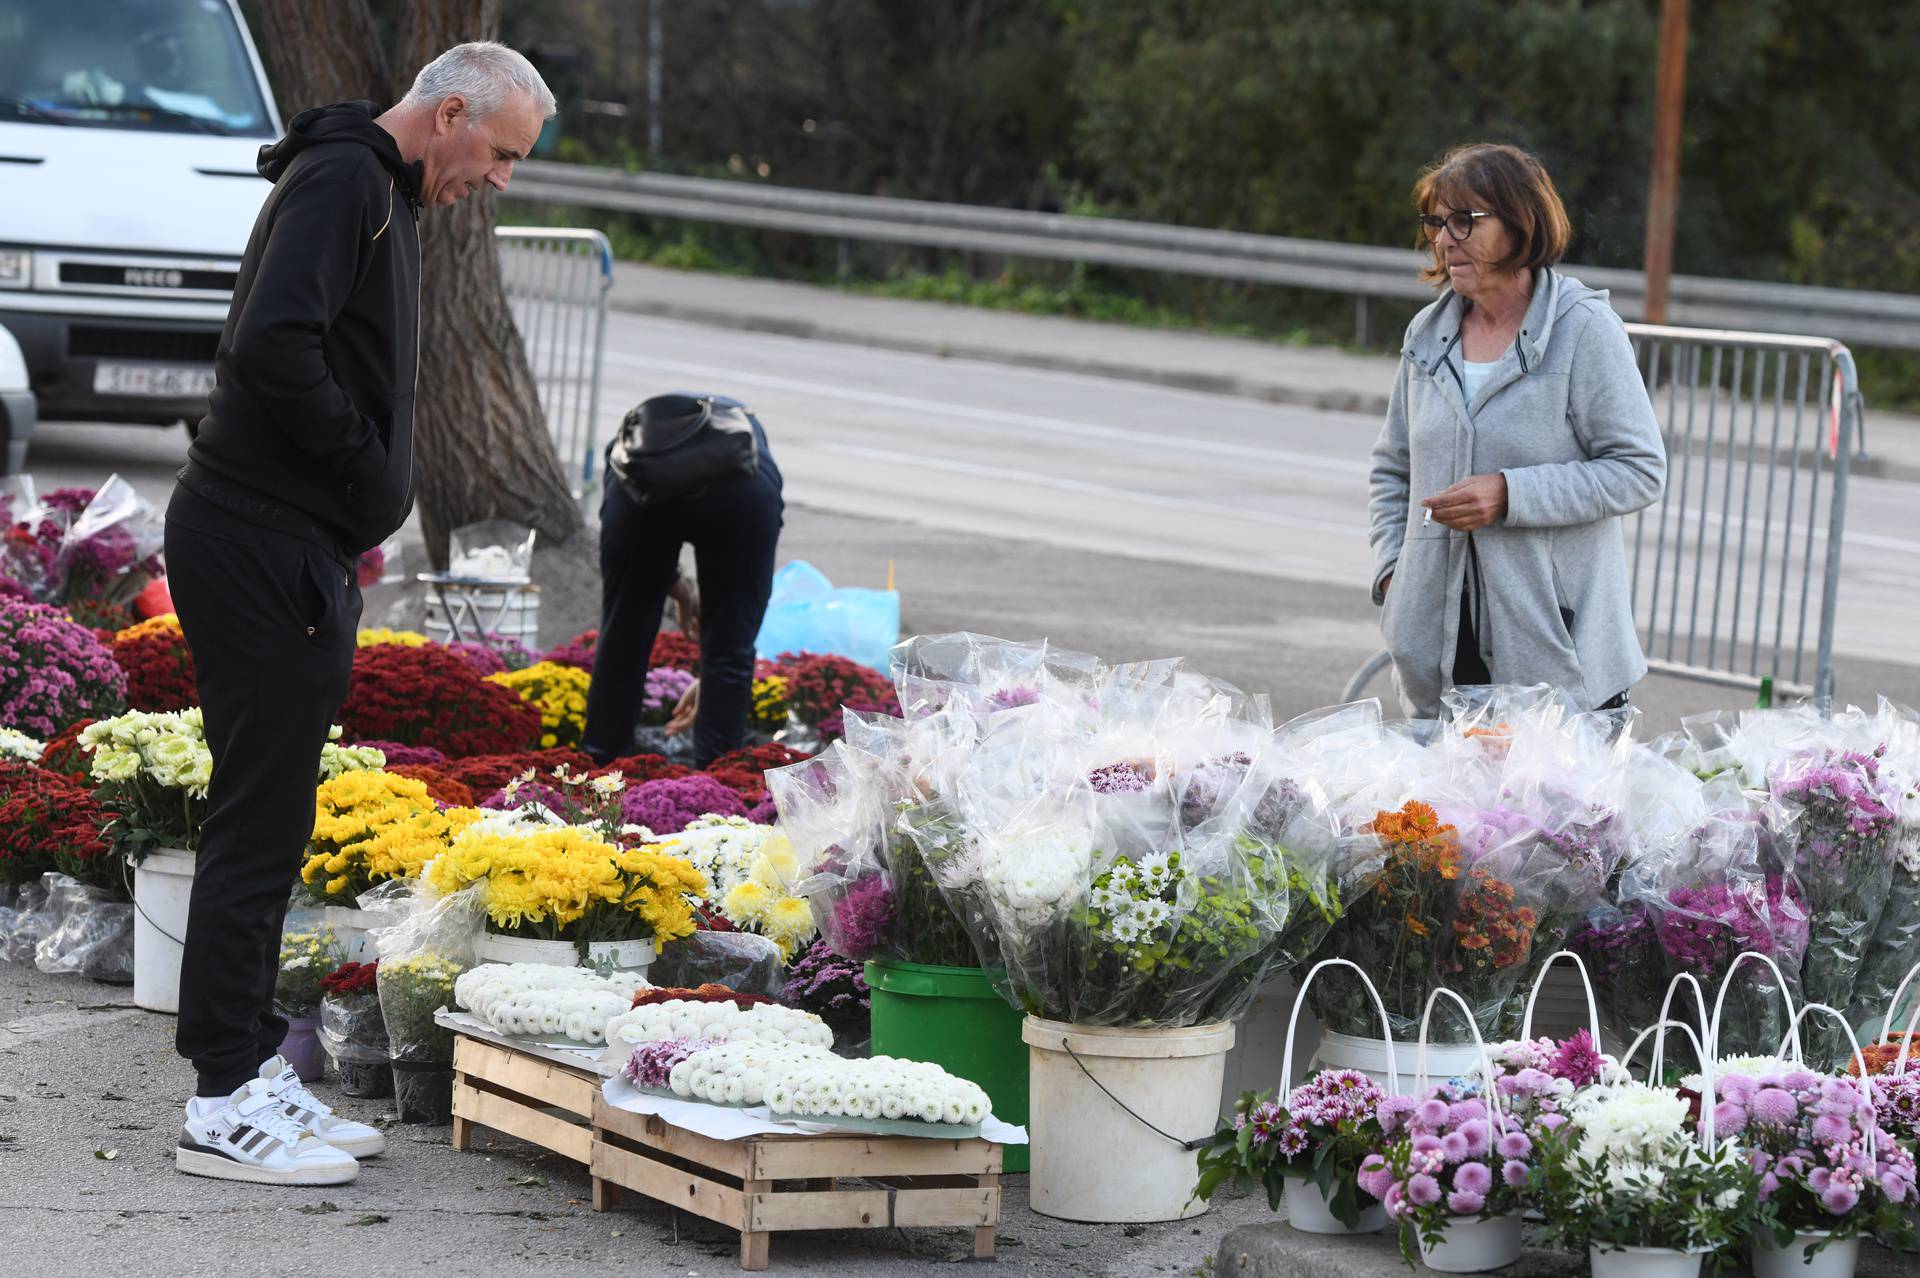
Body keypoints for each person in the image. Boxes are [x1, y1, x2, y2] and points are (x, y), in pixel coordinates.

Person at [164, 42, 553, 1186]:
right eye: (500, 154)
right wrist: (355, 474)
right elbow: (273, 343)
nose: (500, 181)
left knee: (273, 819)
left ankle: (243, 1065)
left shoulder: (375, 190)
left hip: (286, 542)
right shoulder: (346, 182)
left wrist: (354, 500)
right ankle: (221, 1100)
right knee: (256, 820)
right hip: (257, 537)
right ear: (447, 115)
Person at [1368, 142, 1666, 719]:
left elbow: (1639, 470)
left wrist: (1511, 494)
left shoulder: (1584, 329)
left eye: (1464, 221)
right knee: (1444, 810)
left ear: (1521, 224)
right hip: (1437, 656)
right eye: (1435, 222)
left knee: (1550, 813)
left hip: (1556, 657)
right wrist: (1393, 575)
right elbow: (1393, 467)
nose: (1444, 239)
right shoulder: (1428, 334)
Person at [583, 393, 784, 768]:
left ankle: (599, 772)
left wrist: (671, 583)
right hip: (742, 493)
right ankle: (718, 785)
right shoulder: (749, 445)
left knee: (623, 635)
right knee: (731, 652)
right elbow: (733, 630)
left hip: (641, 486)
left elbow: (633, 560)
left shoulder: (631, 448)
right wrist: (723, 627)